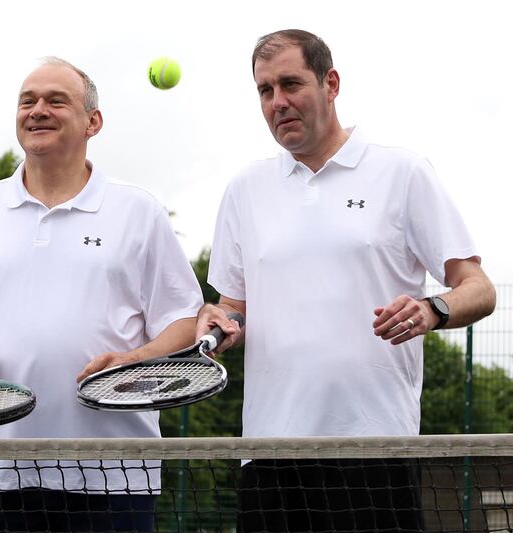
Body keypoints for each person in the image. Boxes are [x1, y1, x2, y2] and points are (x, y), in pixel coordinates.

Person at [196, 29, 496, 532]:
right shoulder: (245, 189)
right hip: (268, 453)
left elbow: (478, 288)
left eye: (291, 84)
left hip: (375, 448)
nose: (278, 102)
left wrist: (431, 309)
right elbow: (234, 310)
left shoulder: (401, 172)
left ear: (331, 83)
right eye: (265, 91)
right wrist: (218, 320)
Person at [0, 57, 203, 533]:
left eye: (55, 100)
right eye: (28, 100)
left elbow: (184, 320)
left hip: (116, 471)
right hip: (0, 470)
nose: (37, 110)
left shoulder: (138, 210)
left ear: (93, 122)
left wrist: (136, 358)